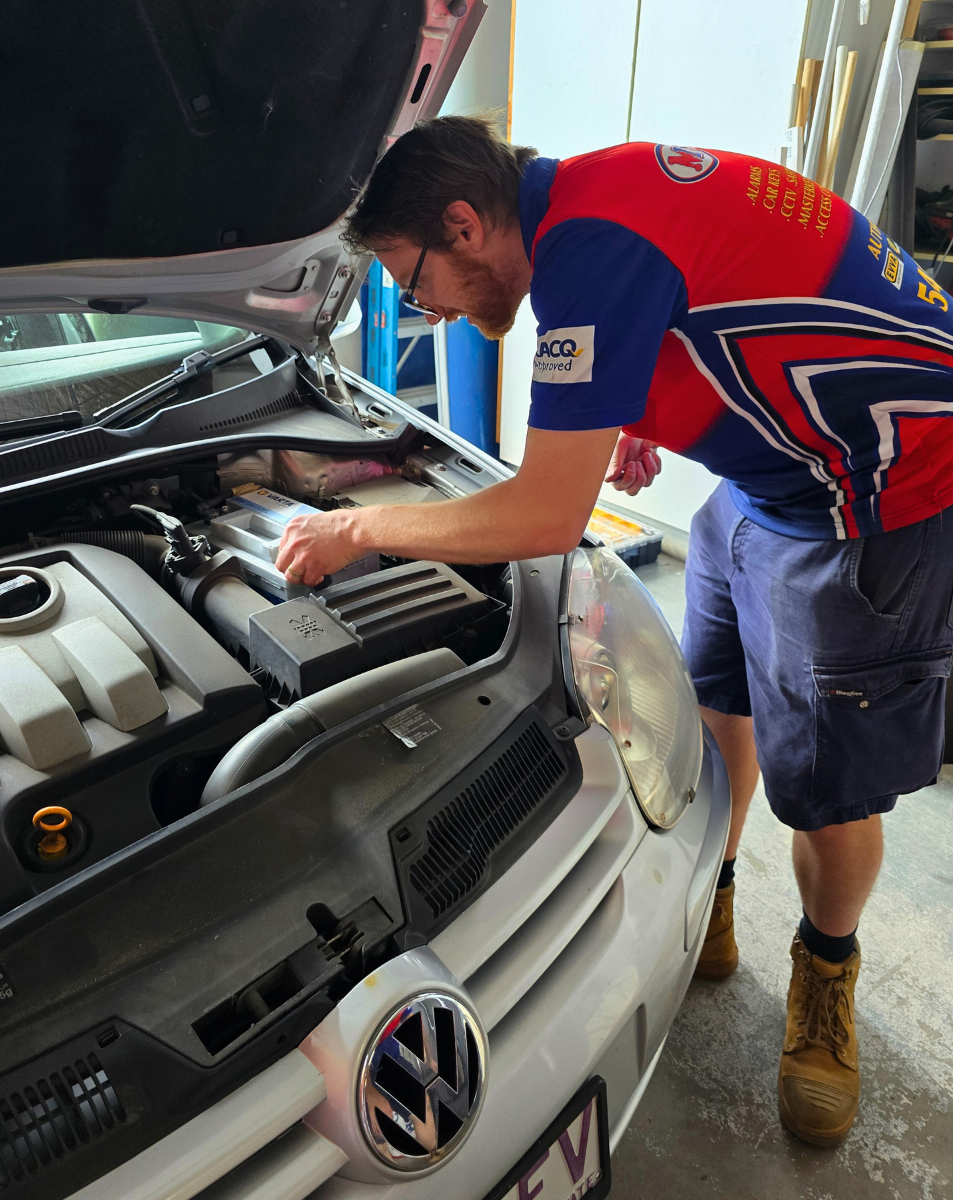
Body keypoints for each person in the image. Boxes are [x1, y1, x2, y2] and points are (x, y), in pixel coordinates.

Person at [275, 116, 953, 1147]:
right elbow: (705, 286)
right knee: (716, 695)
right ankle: (713, 902)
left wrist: (359, 526)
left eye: (417, 283)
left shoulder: (591, 254)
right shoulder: (593, 194)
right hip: (765, 490)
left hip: (874, 510)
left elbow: (543, 517)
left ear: (462, 223)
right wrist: (634, 402)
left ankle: (825, 976)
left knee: (826, 784)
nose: (435, 314)